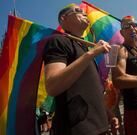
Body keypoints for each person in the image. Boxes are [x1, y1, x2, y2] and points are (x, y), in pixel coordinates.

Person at [43, 4, 118, 135]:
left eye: (84, 11)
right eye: (78, 11)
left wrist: (107, 113)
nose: (84, 13)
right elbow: (52, 85)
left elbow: (89, 89)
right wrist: (91, 54)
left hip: (100, 127)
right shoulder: (58, 41)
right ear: (63, 18)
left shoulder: (83, 48)